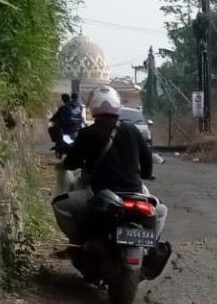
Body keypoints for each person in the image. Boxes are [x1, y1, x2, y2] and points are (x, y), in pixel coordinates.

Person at [52, 86, 168, 246]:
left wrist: (68, 164)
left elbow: (72, 163)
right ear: (117, 106)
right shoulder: (133, 131)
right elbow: (147, 160)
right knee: (160, 210)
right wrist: (146, 174)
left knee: (60, 205)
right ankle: (151, 243)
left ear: (93, 108)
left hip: (99, 193)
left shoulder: (88, 133)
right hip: (135, 191)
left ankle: (78, 243)